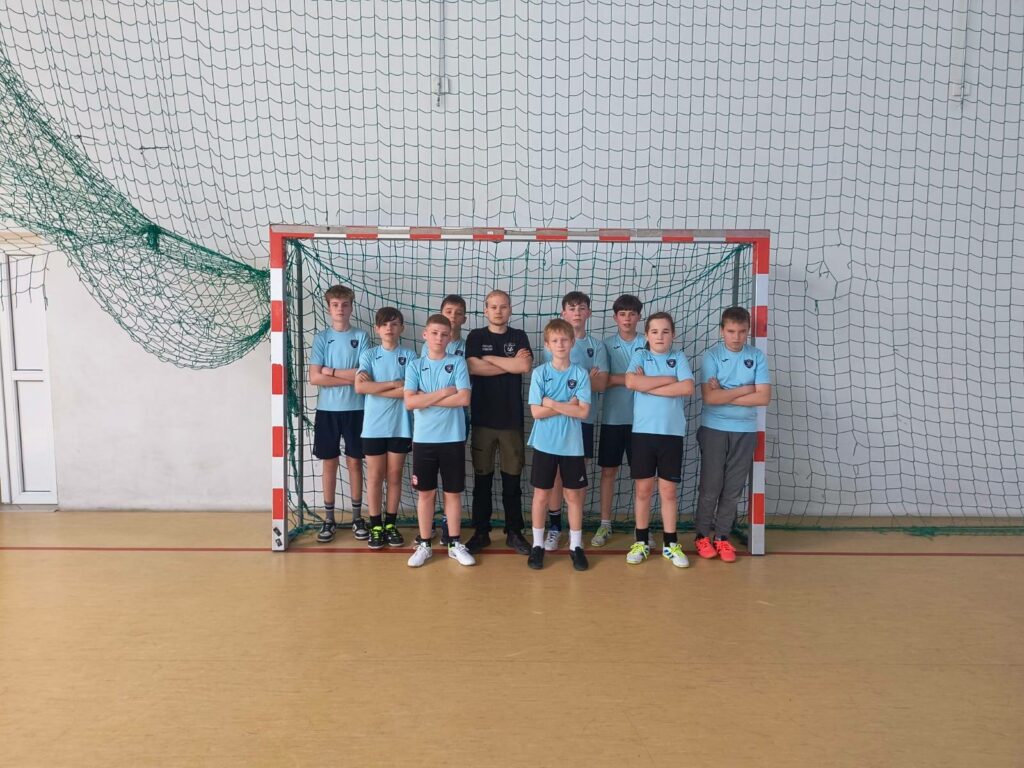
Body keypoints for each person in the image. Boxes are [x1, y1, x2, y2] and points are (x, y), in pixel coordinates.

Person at [695, 306, 772, 562]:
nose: (736, 337)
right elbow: (709, 398)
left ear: (748, 331)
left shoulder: (757, 356)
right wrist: (745, 389)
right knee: (711, 486)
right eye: (731, 331)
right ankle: (702, 536)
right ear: (722, 331)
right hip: (714, 429)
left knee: (733, 488)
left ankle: (722, 537)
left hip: (745, 431)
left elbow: (763, 398)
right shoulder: (712, 356)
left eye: (741, 331)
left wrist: (725, 393)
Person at [463, 289, 533, 555]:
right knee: (482, 481)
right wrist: (509, 363)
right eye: (493, 306)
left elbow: (524, 367)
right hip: (482, 420)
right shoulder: (476, 336)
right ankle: (481, 532)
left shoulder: (519, 336)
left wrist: (490, 359)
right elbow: (472, 367)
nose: (498, 311)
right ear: (485, 310)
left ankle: (514, 532)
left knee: (512, 481)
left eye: (503, 306)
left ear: (510, 309)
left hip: (511, 421)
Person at [404, 314, 476, 567]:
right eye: (434, 333)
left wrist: (427, 398)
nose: (439, 338)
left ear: (450, 337)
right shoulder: (415, 366)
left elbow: (464, 398)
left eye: (444, 334)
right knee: (426, 494)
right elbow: (410, 402)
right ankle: (424, 545)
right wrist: (445, 392)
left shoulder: (457, 363)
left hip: (452, 438)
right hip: (424, 440)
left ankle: (454, 544)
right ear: (425, 335)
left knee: (452, 493)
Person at [624, 312, 695, 567]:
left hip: (671, 435)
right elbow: (630, 382)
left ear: (673, 334)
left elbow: (687, 387)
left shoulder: (679, 357)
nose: (660, 336)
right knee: (643, 490)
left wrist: (648, 385)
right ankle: (641, 541)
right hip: (643, 434)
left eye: (665, 331)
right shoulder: (640, 356)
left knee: (668, 491)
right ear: (646, 335)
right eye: (654, 332)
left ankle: (670, 544)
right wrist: (668, 380)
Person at [541, 291, 608, 550]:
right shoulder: (553, 343)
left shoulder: (596, 346)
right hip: (555, 421)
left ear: (588, 312)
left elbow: (600, 383)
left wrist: (579, 383)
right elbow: (553, 387)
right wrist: (584, 380)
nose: (577, 312)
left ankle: (574, 529)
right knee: (556, 476)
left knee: (577, 478)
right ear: (564, 313)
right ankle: (555, 527)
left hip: (583, 422)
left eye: (582, 308)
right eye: (572, 308)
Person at [526, 320, 592, 571]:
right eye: (555, 340)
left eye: (565, 339)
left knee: (573, 496)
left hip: (572, 446)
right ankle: (537, 545)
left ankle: (576, 546)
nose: (560, 344)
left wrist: (551, 403)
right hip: (545, 444)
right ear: (547, 345)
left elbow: (583, 412)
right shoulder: (540, 373)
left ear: (572, 342)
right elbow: (536, 412)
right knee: (541, 495)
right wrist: (568, 405)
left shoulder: (580, 374)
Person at [308, 285, 371, 543]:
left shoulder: (362, 336)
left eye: (345, 304)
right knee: (329, 463)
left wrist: (331, 372)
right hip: (327, 411)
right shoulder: (322, 338)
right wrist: (349, 377)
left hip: (357, 410)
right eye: (335, 305)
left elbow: (363, 375)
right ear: (329, 308)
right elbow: (315, 377)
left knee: (355, 462)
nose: (340, 309)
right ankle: (329, 519)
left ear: (351, 307)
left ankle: (357, 517)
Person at [354, 307, 416, 549]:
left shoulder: (409, 356)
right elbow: (361, 388)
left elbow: (410, 391)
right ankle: (376, 526)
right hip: (373, 427)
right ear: (377, 329)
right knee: (375, 477)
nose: (389, 328)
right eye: (384, 324)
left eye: (394, 323)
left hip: (400, 427)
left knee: (394, 476)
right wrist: (393, 384)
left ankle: (390, 524)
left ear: (402, 328)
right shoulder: (369, 355)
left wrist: (377, 388)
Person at [593, 294, 646, 547]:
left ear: (639, 317)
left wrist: (618, 378)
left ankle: (641, 529)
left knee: (642, 477)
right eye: (622, 314)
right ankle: (605, 524)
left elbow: (652, 378)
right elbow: (601, 381)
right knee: (608, 472)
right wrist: (634, 379)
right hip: (612, 419)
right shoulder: (605, 345)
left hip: (643, 422)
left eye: (632, 314)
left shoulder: (648, 342)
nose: (627, 318)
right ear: (615, 318)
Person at [434, 294, 469, 544]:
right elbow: (421, 391)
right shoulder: (428, 347)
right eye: (448, 311)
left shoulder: (468, 347)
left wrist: (433, 397)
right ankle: (427, 525)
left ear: (464, 319)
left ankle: (449, 522)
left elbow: (462, 391)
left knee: (451, 476)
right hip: (429, 422)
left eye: (458, 313)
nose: (453, 317)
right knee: (429, 477)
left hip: (458, 419)